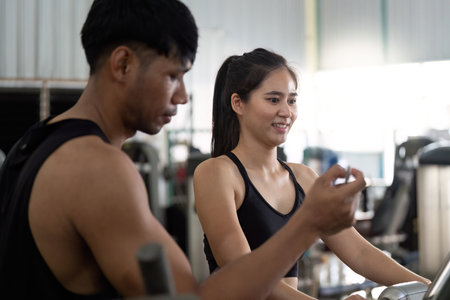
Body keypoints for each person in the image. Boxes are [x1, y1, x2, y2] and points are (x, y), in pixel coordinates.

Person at [0, 1, 366, 299]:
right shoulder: (98, 168)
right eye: (173, 75)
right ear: (123, 64)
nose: (182, 95)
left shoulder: (31, 144)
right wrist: (309, 224)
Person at [193, 48, 431, 300]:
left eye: (292, 100)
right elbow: (242, 273)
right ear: (238, 103)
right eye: (273, 100)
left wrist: (430, 286)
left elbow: (359, 253)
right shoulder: (217, 173)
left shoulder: (303, 178)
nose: (286, 111)